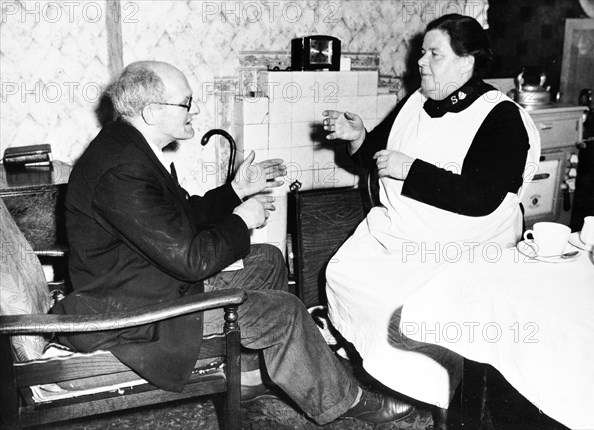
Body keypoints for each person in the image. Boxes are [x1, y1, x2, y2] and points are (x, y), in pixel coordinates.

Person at [51, 60, 414, 425]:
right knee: (285, 311)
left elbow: (183, 216)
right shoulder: (122, 169)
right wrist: (241, 220)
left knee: (269, 258)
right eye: (186, 102)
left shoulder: (128, 146)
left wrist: (236, 191)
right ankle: (344, 401)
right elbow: (192, 260)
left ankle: (248, 377)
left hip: (148, 282)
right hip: (141, 312)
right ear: (151, 112)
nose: (195, 110)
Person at [323, 14, 541, 409]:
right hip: (405, 234)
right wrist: (358, 139)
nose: (420, 62)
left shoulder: (501, 117)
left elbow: (482, 197)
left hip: (464, 247)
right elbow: (381, 155)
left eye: (434, 54)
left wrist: (412, 170)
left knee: (403, 309)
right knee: (344, 274)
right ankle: (398, 383)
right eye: (422, 53)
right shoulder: (417, 102)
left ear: (466, 63)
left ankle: (441, 390)